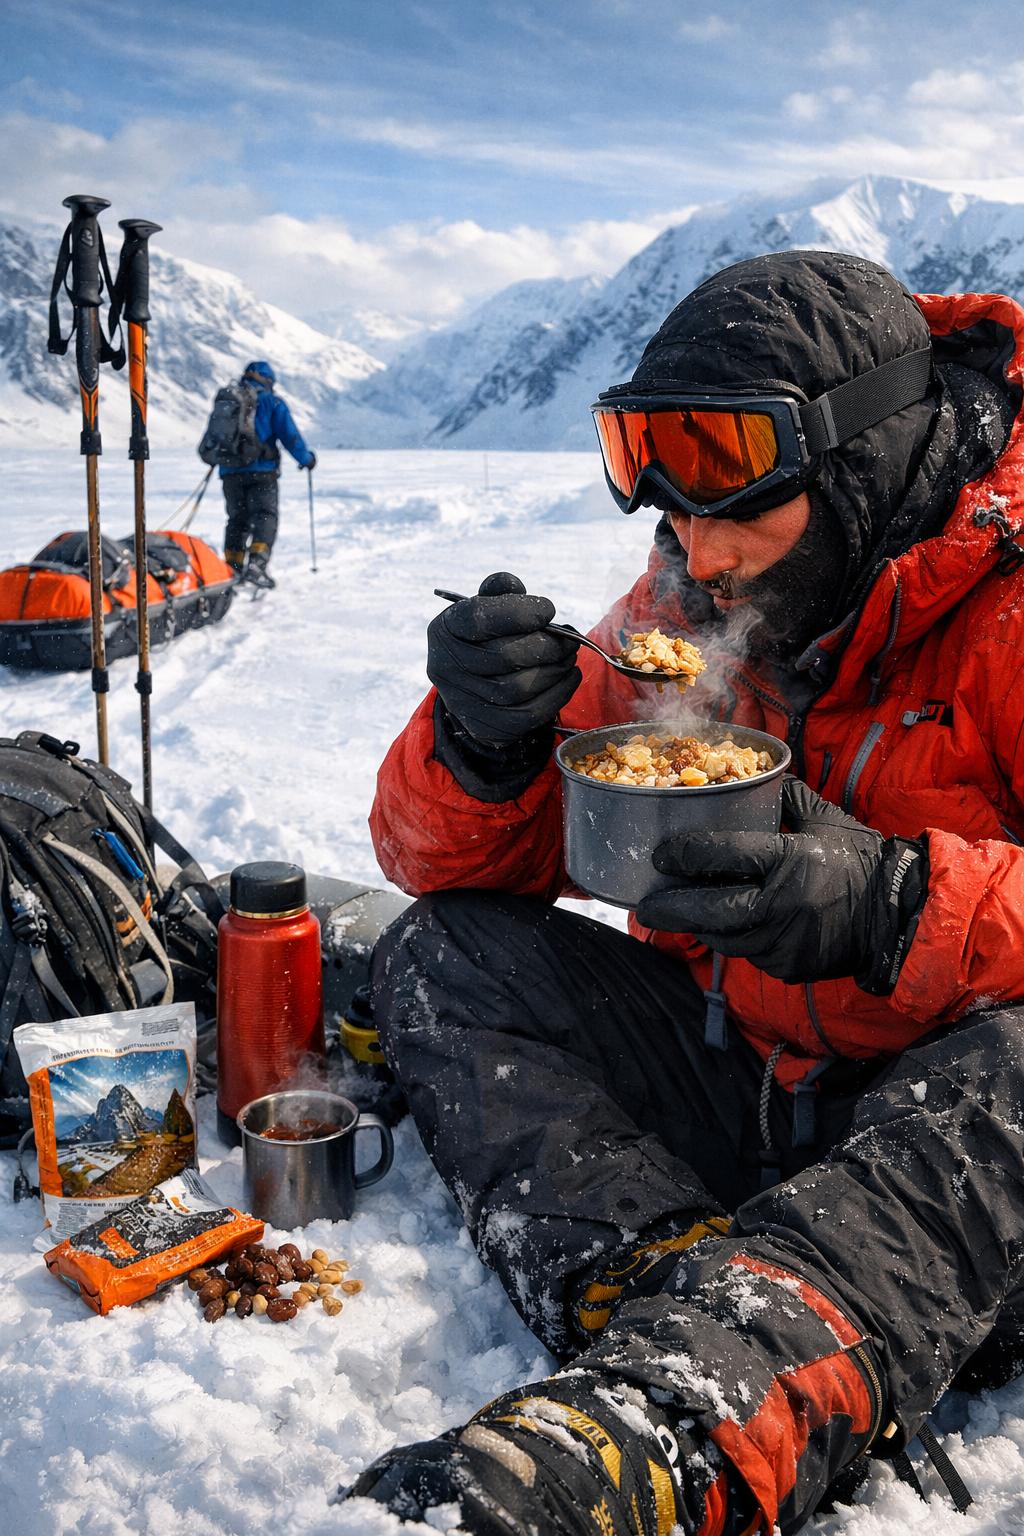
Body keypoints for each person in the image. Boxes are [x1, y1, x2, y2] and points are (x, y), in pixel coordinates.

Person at [349, 251, 1024, 1534]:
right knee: (447, 952)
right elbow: (441, 863)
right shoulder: (686, 601)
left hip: (957, 1152)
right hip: (743, 1078)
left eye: (737, 512)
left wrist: (894, 904)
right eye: (666, 514)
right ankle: (658, 1279)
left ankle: (691, 1419)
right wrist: (481, 747)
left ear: (862, 466)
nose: (695, 556)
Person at [220, 360, 316, 589]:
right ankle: (257, 565)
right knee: (265, 516)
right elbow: (289, 435)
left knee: (237, 520)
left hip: (230, 472)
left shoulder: (229, 402)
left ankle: (231, 567)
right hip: (262, 471)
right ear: (269, 381)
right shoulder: (271, 402)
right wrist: (306, 459)